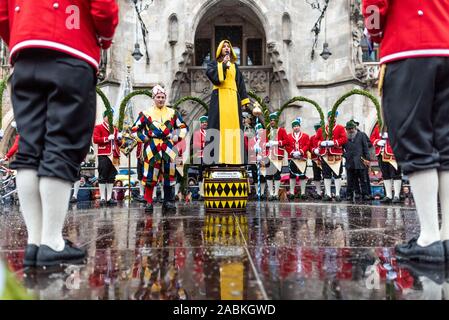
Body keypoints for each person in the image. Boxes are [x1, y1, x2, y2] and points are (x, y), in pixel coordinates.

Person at [0, 0, 119, 267]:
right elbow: (104, 8)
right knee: (61, 145)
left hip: (24, 54)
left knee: (30, 149)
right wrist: (105, 40)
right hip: (71, 50)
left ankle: (35, 242)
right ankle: (52, 241)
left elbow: (3, 14)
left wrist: (23, 37)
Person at [363, 0, 448, 262]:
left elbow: (375, 6)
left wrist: (374, 33)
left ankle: (429, 237)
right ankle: (446, 235)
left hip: (408, 49)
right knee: (446, 146)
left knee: (415, 141)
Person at [131, 85, 188, 213]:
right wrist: (144, 138)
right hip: (152, 147)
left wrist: (175, 136)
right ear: (154, 98)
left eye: (163, 97)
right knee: (150, 176)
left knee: (169, 176)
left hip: (168, 146)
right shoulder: (145, 113)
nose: (161, 99)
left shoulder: (173, 113)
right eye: (158, 97)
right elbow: (134, 130)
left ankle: (168, 201)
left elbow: (184, 128)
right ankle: (148, 202)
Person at [205, 40, 250, 165]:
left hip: (233, 100)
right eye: (224, 46)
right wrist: (223, 65)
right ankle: (216, 160)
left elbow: (240, 84)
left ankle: (234, 159)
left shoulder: (235, 66)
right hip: (219, 98)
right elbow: (215, 78)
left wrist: (244, 100)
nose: (226, 48)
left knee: (234, 128)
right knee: (217, 127)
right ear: (220, 49)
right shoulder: (213, 64)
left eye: (228, 46)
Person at [313, 111, 348, 202]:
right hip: (325, 154)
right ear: (327, 118)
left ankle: (337, 194)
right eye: (330, 117)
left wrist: (334, 142)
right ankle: (328, 194)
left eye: (334, 117)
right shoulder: (321, 129)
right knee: (326, 175)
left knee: (337, 174)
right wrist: (321, 143)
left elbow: (344, 139)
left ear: (336, 118)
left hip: (336, 154)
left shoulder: (340, 128)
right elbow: (316, 140)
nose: (332, 119)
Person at [93, 110, 122, 207]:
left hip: (114, 155)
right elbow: (95, 139)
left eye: (112, 116)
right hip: (104, 154)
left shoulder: (115, 129)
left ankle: (109, 198)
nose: (110, 118)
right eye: (108, 116)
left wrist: (120, 139)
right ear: (104, 117)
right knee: (102, 176)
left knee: (111, 177)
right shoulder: (99, 127)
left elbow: (119, 144)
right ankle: (102, 198)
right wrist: (106, 138)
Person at [370, 124, 402, 204]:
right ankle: (388, 195)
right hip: (381, 153)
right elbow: (372, 138)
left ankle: (397, 195)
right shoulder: (378, 125)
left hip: (393, 152)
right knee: (385, 174)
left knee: (396, 174)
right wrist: (378, 141)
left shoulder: (397, 122)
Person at [343, 121, 371, 201]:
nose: (350, 130)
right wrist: (345, 155)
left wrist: (367, 159)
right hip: (350, 162)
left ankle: (365, 194)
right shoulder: (344, 137)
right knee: (350, 180)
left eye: (351, 128)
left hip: (361, 161)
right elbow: (340, 149)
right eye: (348, 129)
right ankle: (350, 195)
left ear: (355, 128)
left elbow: (366, 148)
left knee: (363, 179)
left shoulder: (361, 135)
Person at [264, 112, 289, 201]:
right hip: (269, 155)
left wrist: (278, 143)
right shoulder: (266, 131)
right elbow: (262, 143)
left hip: (278, 155)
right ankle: (271, 193)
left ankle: (276, 193)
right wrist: (266, 144)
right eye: (271, 120)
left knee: (277, 175)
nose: (272, 122)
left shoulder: (281, 130)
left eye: (274, 120)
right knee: (269, 175)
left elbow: (286, 141)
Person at [286, 118, 310, 200]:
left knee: (302, 175)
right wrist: (292, 152)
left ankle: (303, 193)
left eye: (297, 126)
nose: (296, 127)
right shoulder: (288, 136)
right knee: (292, 175)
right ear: (292, 128)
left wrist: (301, 151)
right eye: (294, 126)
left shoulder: (305, 136)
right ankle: (292, 192)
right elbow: (286, 146)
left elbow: (307, 145)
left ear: (299, 126)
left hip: (302, 158)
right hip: (292, 158)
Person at [248, 123, 267, 199]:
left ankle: (262, 192)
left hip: (262, 160)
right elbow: (249, 150)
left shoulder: (265, 139)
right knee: (255, 177)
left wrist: (262, 156)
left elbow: (267, 149)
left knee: (262, 177)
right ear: (256, 131)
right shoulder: (252, 140)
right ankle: (257, 192)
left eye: (262, 129)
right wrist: (254, 151)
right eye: (259, 129)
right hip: (254, 161)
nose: (261, 131)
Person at [193, 116, 208, 200]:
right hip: (201, 156)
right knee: (201, 175)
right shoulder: (197, 133)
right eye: (203, 122)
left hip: (210, 156)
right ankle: (202, 193)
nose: (204, 124)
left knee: (208, 174)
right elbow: (196, 145)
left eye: (206, 122)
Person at [309, 123, 323, 199]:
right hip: (315, 160)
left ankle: (327, 192)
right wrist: (314, 150)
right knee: (316, 176)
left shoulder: (325, 138)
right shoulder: (312, 138)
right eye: (317, 130)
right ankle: (318, 192)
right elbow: (309, 146)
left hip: (324, 159)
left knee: (326, 176)